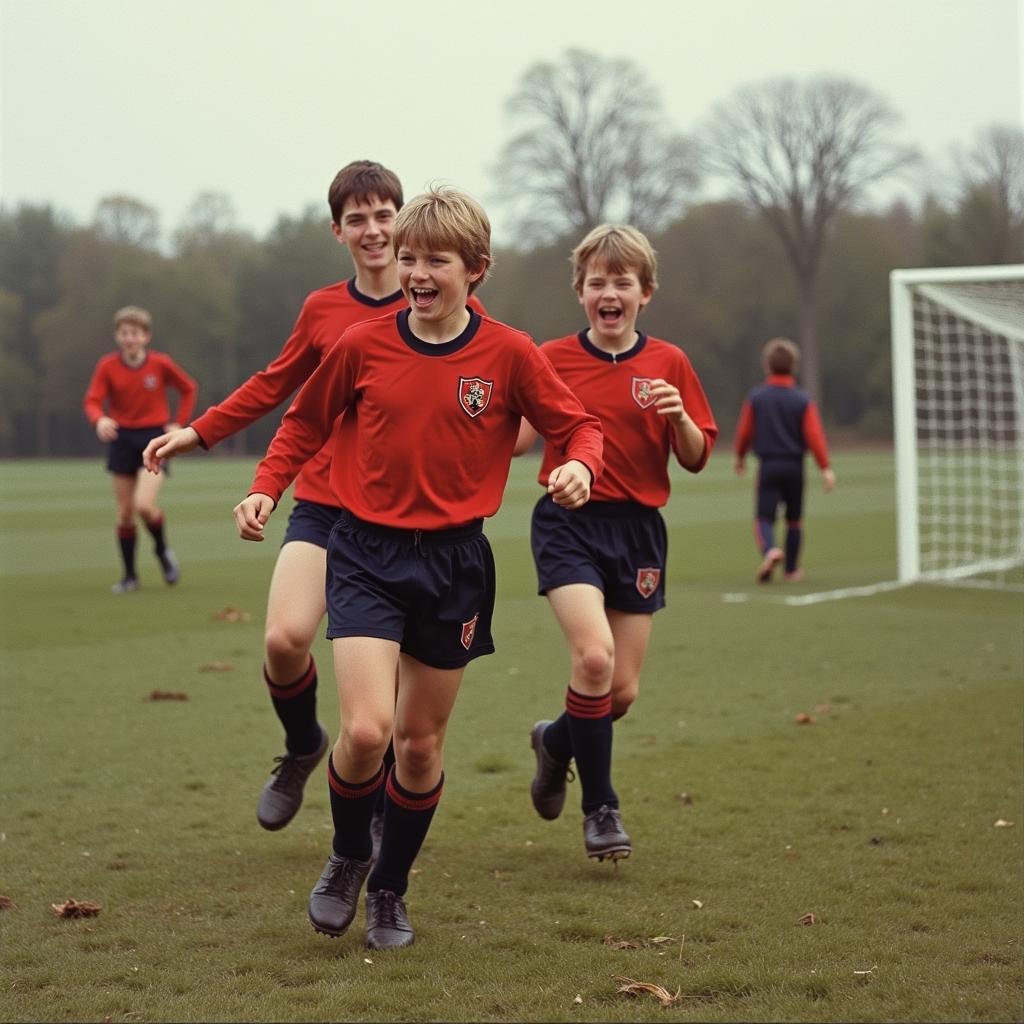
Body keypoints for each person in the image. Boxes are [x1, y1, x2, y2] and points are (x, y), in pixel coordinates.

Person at [233, 186, 603, 950]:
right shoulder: (362, 346)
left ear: (477, 269)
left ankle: (391, 891)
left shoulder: (510, 353)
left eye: (435, 259)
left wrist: (582, 469)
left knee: (420, 746)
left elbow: (579, 426)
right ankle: (346, 858)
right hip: (366, 553)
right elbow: (302, 422)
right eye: (408, 259)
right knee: (366, 732)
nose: (418, 273)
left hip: (456, 564)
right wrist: (266, 489)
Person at [143, 162, 485, 840]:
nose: (373, 229)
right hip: (327, 503)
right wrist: (203, 431)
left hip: (403, 522)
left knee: (383, 688)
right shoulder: (325, 310)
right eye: (357, 218)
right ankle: (303, 745)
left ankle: (383, 806)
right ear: (338, 231)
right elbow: (277, 386)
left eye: (384, 213)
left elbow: (485, 377)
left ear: (402, 217)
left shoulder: (444, 304)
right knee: (283, 639)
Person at [515, 224, 717, 863]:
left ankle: (554, 742)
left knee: (619, 693)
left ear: (644, 293)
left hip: (637, 532)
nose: (609, 291)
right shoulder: (547, 357)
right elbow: (515, 438)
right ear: (580, 291)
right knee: (595, 661)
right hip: (568, 521)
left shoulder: (670, 363)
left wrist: (679, 416)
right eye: (597, 281)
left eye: (621, 282)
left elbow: (696, 457)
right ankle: (601, 808)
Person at [83, 305, 197, 593]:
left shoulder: (160, 364)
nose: (129, 338)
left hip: (154, 439)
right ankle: (130, 577)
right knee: (124, 513)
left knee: (143, 506)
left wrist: (178, 424)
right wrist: (100, 419)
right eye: (124, 333)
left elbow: (188, 388)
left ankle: (161, 551)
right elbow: (92, 400)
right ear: (117, 336)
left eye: (134, 333)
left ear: (146, 336)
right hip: (122, 439)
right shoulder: (107, 366)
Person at [733, 337, 835, 583]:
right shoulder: (802, 399)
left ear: (767, 366)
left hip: (768, 466)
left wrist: (740, 457)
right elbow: (814, 435)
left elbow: (745, 431)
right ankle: (791, 570)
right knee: (794, 519)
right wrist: (825, 467)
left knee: (764, 517)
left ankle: (770, 550)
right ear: (794, 366)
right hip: (795, 467)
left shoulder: (757, 397)